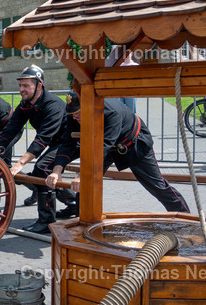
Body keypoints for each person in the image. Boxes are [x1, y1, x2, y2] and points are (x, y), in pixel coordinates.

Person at [45, 91, 190, 216]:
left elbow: (103, 147)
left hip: (134, 143)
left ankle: (185, 218)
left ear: (89, 105)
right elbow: (67, 143)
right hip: (107, 146)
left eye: (78, 114)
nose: (75, 118)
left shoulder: (111, 113)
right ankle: (81, 224)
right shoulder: (75, 113)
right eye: (72, 114)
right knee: (86, 185)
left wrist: (82, 174)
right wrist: (57, 171)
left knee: (157, 186)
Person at [0, 65, 68, 234]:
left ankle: (46, 220)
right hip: (54, 142)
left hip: (68, 143)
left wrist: (20, 163)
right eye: (20, 85)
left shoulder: (53, 104)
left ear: (39, 85)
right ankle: (71, 200)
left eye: (26, 85)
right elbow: (10, 129)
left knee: (41, 168)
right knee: (34, 175)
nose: (21, 89)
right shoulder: (26, 104)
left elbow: (42, 139)